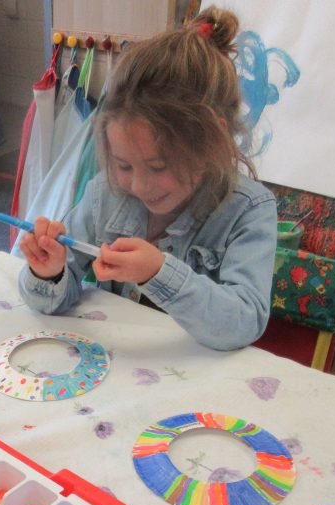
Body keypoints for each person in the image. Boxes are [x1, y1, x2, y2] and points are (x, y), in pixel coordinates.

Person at [18, 7, 277, 351]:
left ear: (212, 140)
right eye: (124, 166)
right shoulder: (105, 193)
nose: (138, 186)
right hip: (118, 363)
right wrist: (48, 272)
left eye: (158, 167)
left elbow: (244, 323)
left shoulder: (249, 210)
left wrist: (158, 273)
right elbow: (54, 300)